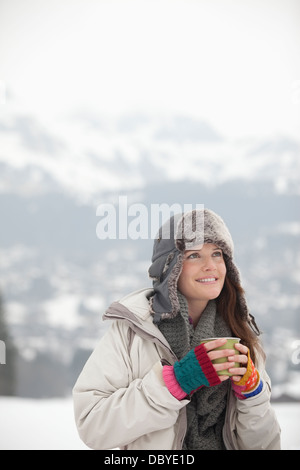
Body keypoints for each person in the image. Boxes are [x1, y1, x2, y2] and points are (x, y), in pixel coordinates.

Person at [73, 208, 281, 450]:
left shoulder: (241, 334)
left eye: (217, 253)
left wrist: (252, 395)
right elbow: (92, 426)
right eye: (194, 255)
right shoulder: (134, 330)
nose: (210, 266)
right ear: (170, 268)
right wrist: (175, 382)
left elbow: (266, 445)